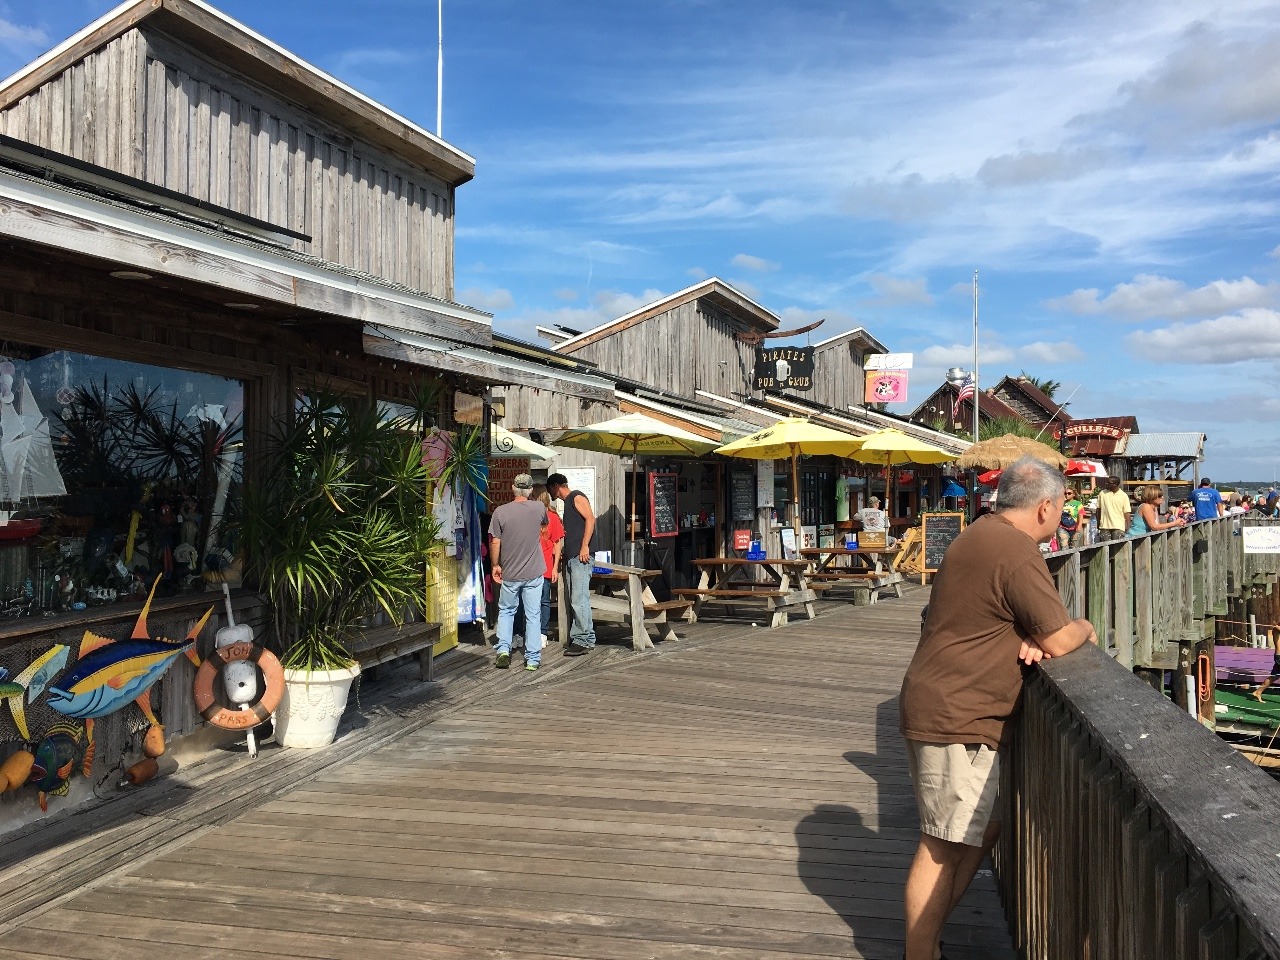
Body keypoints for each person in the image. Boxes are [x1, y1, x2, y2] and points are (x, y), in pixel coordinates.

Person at [898, 457, 1096, 960]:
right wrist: (1087, 627)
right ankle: (921, 952)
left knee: (982, 828)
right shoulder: (1016, 549)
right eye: (1062, 507)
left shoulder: (980, 533)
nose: (1062, 516)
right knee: (943, 843)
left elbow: (1002, 618)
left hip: (951, 703)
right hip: (956, 711)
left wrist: (1029, 633)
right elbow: (1059, 637)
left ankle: (931, 937)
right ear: (1046, 506)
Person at [488, 474, 548, 671]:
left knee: (506, 611)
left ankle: (503, 650)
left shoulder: (500, 512)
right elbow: (544, 527)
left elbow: (495, 541)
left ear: (512, 488)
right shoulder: (539, 508)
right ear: (531, 490)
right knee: (533, 615)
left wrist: (496, 565)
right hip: (534, 571)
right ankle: (532, 659)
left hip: (511, 572)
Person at [547, 472, 597, 656]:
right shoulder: (568, 503)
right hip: (572, 556)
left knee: (579, 598)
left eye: (550, 489)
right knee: (574, 598)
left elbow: (591, 519)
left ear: (555, 486)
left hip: (581, 556)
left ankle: (584, 639)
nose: (551, 494)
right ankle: (580, 637)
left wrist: (585, 546)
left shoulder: (576, 496)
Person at [531, 484, 564, 646]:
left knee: (543, 600)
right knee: (533, 601)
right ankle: (533, 632)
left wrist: (555, 567)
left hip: (543, 565)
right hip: (531, 565)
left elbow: (557, 543)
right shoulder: (528, 515)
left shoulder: (552, 516)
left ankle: (542, 633)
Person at [1095, 477, 1131, 541]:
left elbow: (1127, 512)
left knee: (1116, 549)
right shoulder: (1102, 493)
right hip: (1104, 526)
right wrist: (1098, 523)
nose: (1106, 484)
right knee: (1104, 549)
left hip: (1118, 526)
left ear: (1115, 484)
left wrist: (1127, 526)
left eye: (1108, 483)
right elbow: (1098, 509)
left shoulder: (1123, 495)